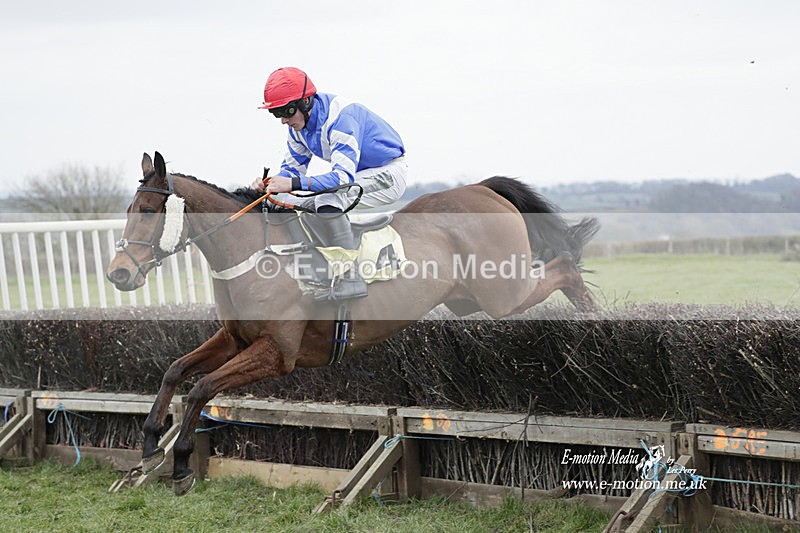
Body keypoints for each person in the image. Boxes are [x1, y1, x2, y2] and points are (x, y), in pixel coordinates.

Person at [252, 67, 407, 300]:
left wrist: (292, 182)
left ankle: (351, 276)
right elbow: (292, 171)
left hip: (388, 175)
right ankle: (318, 270)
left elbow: (343, 178)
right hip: (359, 175)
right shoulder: (298, 129)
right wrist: (271, 185)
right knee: (287, 200)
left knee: (328, 197)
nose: (283, 120)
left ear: (306, 102)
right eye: (277, 113)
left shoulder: (342, 119)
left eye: (287, 111)